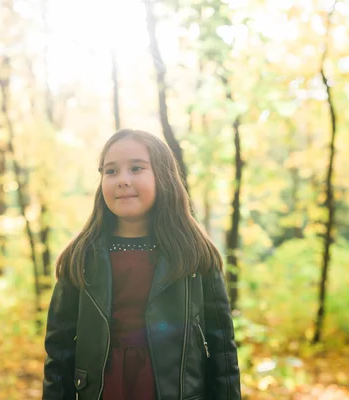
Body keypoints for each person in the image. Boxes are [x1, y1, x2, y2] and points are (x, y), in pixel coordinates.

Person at [43, 129, 241, 400]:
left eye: (136, 168)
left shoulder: (195, 255)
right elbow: (59, 354)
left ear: (163, 176)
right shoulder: (80, 257)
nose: (122, 180)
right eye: (111, 171)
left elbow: (223, 354)